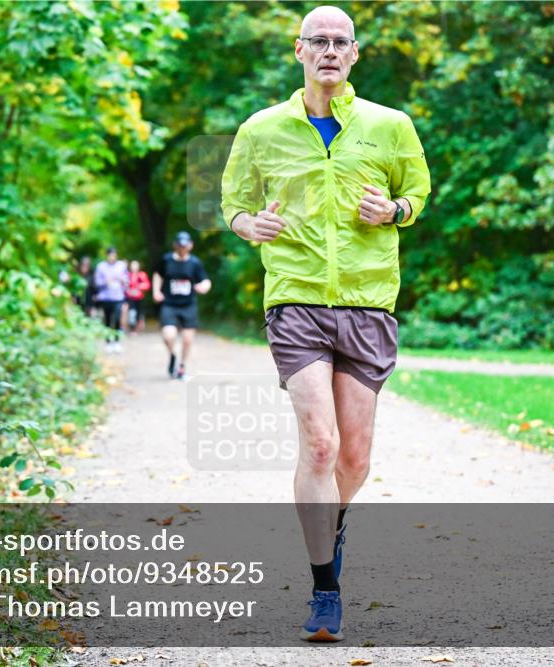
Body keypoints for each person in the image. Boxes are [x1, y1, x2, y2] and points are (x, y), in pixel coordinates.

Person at [221, 5, 431, 642]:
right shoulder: (261, 129)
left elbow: (417, 195)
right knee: (320, 444)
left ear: (355, 53)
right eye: (319, 41)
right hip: (296, 301)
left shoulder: (390, 125)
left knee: (355, 457)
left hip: (368, 302)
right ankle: (324, 590)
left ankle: (330, 527)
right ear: (300, 50)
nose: (330, 50)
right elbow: (233, 204)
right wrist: (249, 225)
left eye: (342, 42)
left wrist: (393, 210)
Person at [152, 231, 211, 379]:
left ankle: (181, 367)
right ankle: (173, 355)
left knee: (187, 340)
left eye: (184, 246)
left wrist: (204, 286)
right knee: (168, 336)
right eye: (179, 245)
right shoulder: (166, 260)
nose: (182, 248)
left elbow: (205, 280)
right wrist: (156, 291)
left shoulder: (195, 263)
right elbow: (157, 274)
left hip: (188, 305)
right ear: (175, 245)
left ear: (190, 246)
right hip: (169, 304)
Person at [94, 247, 129, 353]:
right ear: (107, 256)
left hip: (118, 297)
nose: (112, 257)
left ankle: (117, 341)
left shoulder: (121, 266)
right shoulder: (101, 267)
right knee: (107, 320)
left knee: (118, 318)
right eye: (110, 255)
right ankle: (108, 342)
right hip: (106, 298)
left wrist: (123, 281)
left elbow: (127, 281)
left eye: (114, 255)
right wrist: (105, 282)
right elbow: (97, 282)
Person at [124, 259, 151, 334]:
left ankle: (138, 325)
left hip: (139, 298)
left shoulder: (142, 275)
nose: (134, 267)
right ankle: (132, 329)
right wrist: (129, 291)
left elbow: (147, 285)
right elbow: (124, 286)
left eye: (136, 265)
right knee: (131, 313)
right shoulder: (127, 275)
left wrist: (139, 287)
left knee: (139, 313)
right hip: (130, 298)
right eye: (133, 265)